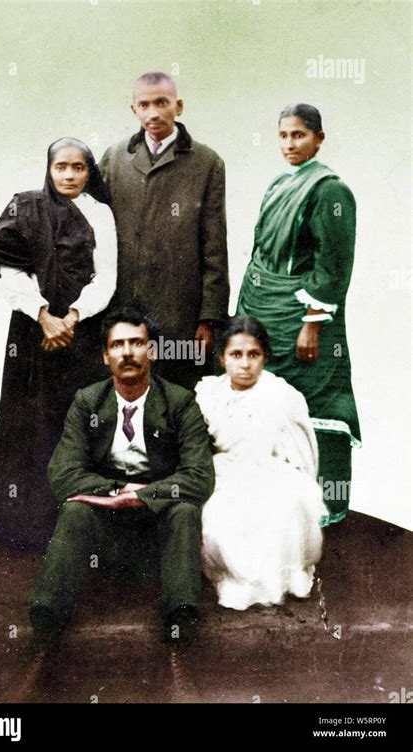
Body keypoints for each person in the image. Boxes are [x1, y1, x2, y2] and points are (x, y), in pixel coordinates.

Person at [29, 303, 215, 652]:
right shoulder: (88, 402)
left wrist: (144, 496)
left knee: (186, 511)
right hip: (107, 520)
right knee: (74, 510)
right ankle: (48, 615)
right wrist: (118, 491)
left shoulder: (180, 402)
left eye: (136, 343)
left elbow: (200, 475)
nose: (127, 353)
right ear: (105, 356)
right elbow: (63, 472)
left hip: (158, 521)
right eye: (117, 345)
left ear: (153, 351)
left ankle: (181, 614)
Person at [0, 138, 118, 552]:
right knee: (28, 421)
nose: (69, 175)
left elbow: (106, 277)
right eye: (61, 167)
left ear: (90, 172)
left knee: (74, 421)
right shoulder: (26, 206)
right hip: (32, 335)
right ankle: (23, 528)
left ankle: (78, 526)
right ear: (49, 169)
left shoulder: (100, 214)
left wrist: (71, 317)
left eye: (78, 168)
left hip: (81, 334)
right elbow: (9, 270)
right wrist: (42, 315)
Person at [237, 103, 361, 526]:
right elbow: (261, 254)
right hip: (265, 310)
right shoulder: (278, 184)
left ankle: (330, 506)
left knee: (322, 405)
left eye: (300, 135)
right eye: (284, 136)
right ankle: (282, 500)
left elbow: (334, 264)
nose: (290, 144)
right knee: (271, 404)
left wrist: (311, 323)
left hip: (305, 319)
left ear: (319, 139)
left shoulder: (330, 190)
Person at [99, 71, 230, 390]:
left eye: (162, 102)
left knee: (180, 397)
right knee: (125, 396)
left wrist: (209, 318)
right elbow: (89, 227)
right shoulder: (114, 159)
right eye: (144, 104)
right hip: (123, 307)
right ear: (134, 110)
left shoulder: (206, 163)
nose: (153, 112)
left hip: (179, 313)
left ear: (179, 106)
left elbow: (215, 246)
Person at [195, 316, 327, 610]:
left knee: (281, 507)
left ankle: (278, 578)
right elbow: (198, 447)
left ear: (265, 357)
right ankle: (235, 580)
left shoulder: (282, 395)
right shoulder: (209, 395)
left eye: (253, 355)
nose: (245, 364)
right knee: (221, 514)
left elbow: (302, 451)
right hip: (226, 470)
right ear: (222, 359)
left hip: (273, 468)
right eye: (236, 355)